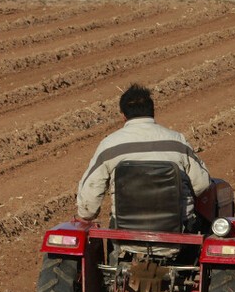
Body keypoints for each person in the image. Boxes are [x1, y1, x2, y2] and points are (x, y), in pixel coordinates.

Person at [76, 83, 211, 229]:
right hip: (177, 231)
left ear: (123, 115)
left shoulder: (109, 145)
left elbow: (91, 192)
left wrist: (86, 215)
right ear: (152, 111)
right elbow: (202, 184)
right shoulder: (177, 141)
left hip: (125, 232)